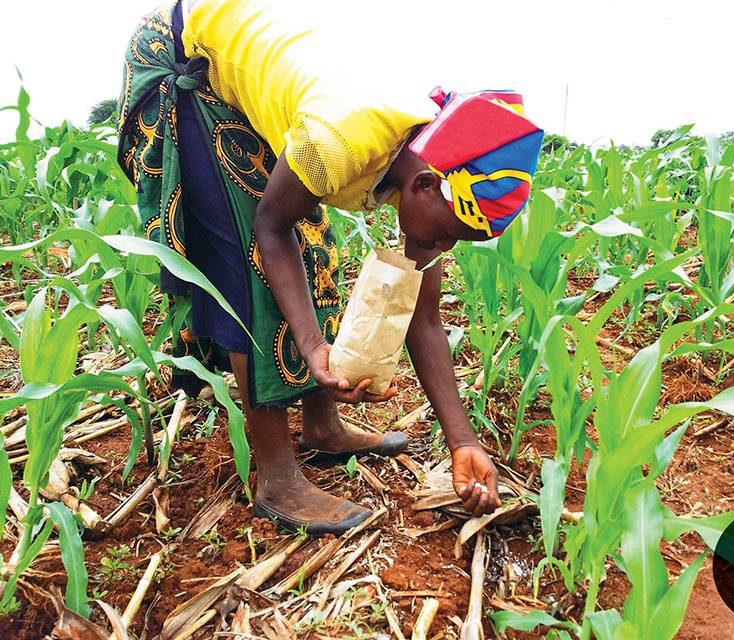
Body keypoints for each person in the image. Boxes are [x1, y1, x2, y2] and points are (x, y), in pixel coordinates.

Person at [117, 0, 544, 535]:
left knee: (315, 251)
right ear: (426, 185)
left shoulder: (427, 163)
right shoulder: (340, 139)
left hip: (263, 74)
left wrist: (463, 442)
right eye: (445, 235)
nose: (439, 249)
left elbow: (424, 315)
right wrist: (313, 345)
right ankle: (275, 476)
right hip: (186, 52)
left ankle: (322, 427)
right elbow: (270, 230)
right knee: (253, 266)